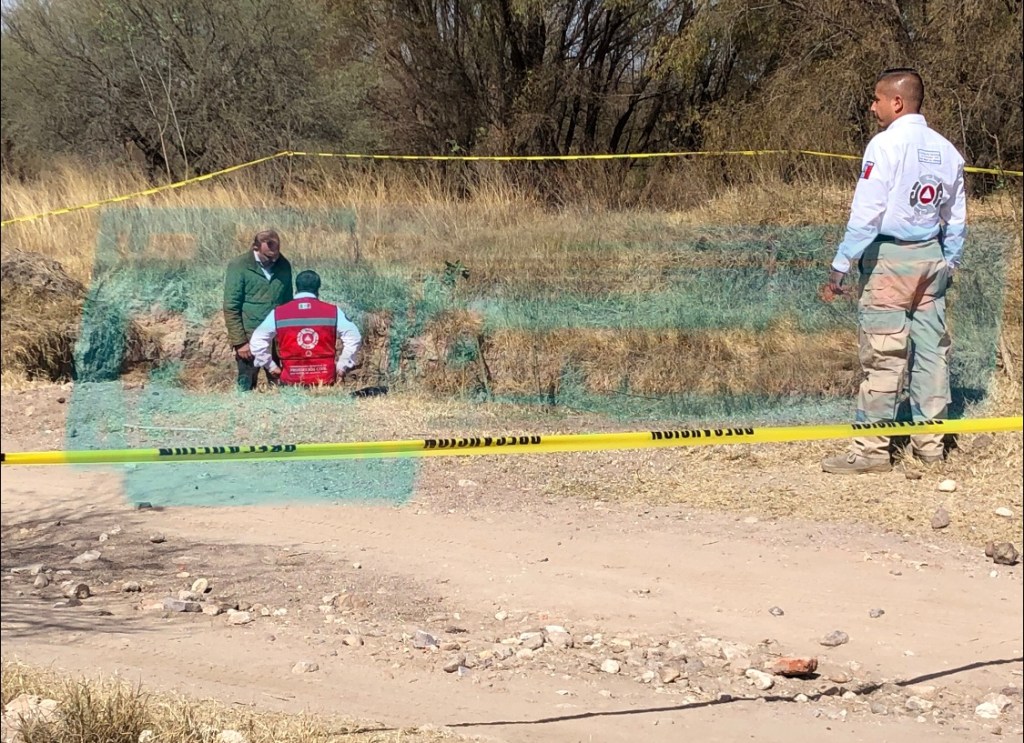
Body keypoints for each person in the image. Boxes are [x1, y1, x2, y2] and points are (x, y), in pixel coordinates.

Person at [822, 68, 967, 474]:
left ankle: (870, 452)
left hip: (889, 260)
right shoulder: (947, 150)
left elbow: (867, 214)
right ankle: (930, 446)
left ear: (897, 102)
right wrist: (949, 259)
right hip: (932, 258)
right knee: (932, 353)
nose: (873, 107)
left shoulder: (884, 146)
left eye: (877, 99)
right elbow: (956, 218)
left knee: (884, 355)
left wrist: (841, 265)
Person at [249, 270, 362, 386]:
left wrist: (271, 366)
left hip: (291, 381)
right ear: (318, 288)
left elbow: (257, 340)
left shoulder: (278, 313)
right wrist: (342, 365)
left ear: (296, 288)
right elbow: (354, 337)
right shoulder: (333, 311)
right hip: (324, 381)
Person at [223, 229, 294, 391]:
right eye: (269, 256)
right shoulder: (239, 266)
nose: (274, 259)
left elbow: (288, 304)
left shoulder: (283, 265)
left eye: (276, 254)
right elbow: (231, 306)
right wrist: (240, 342)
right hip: (249, 337)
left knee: (280, 387)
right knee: (245, 385)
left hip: (278, 339)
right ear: (255, 248)